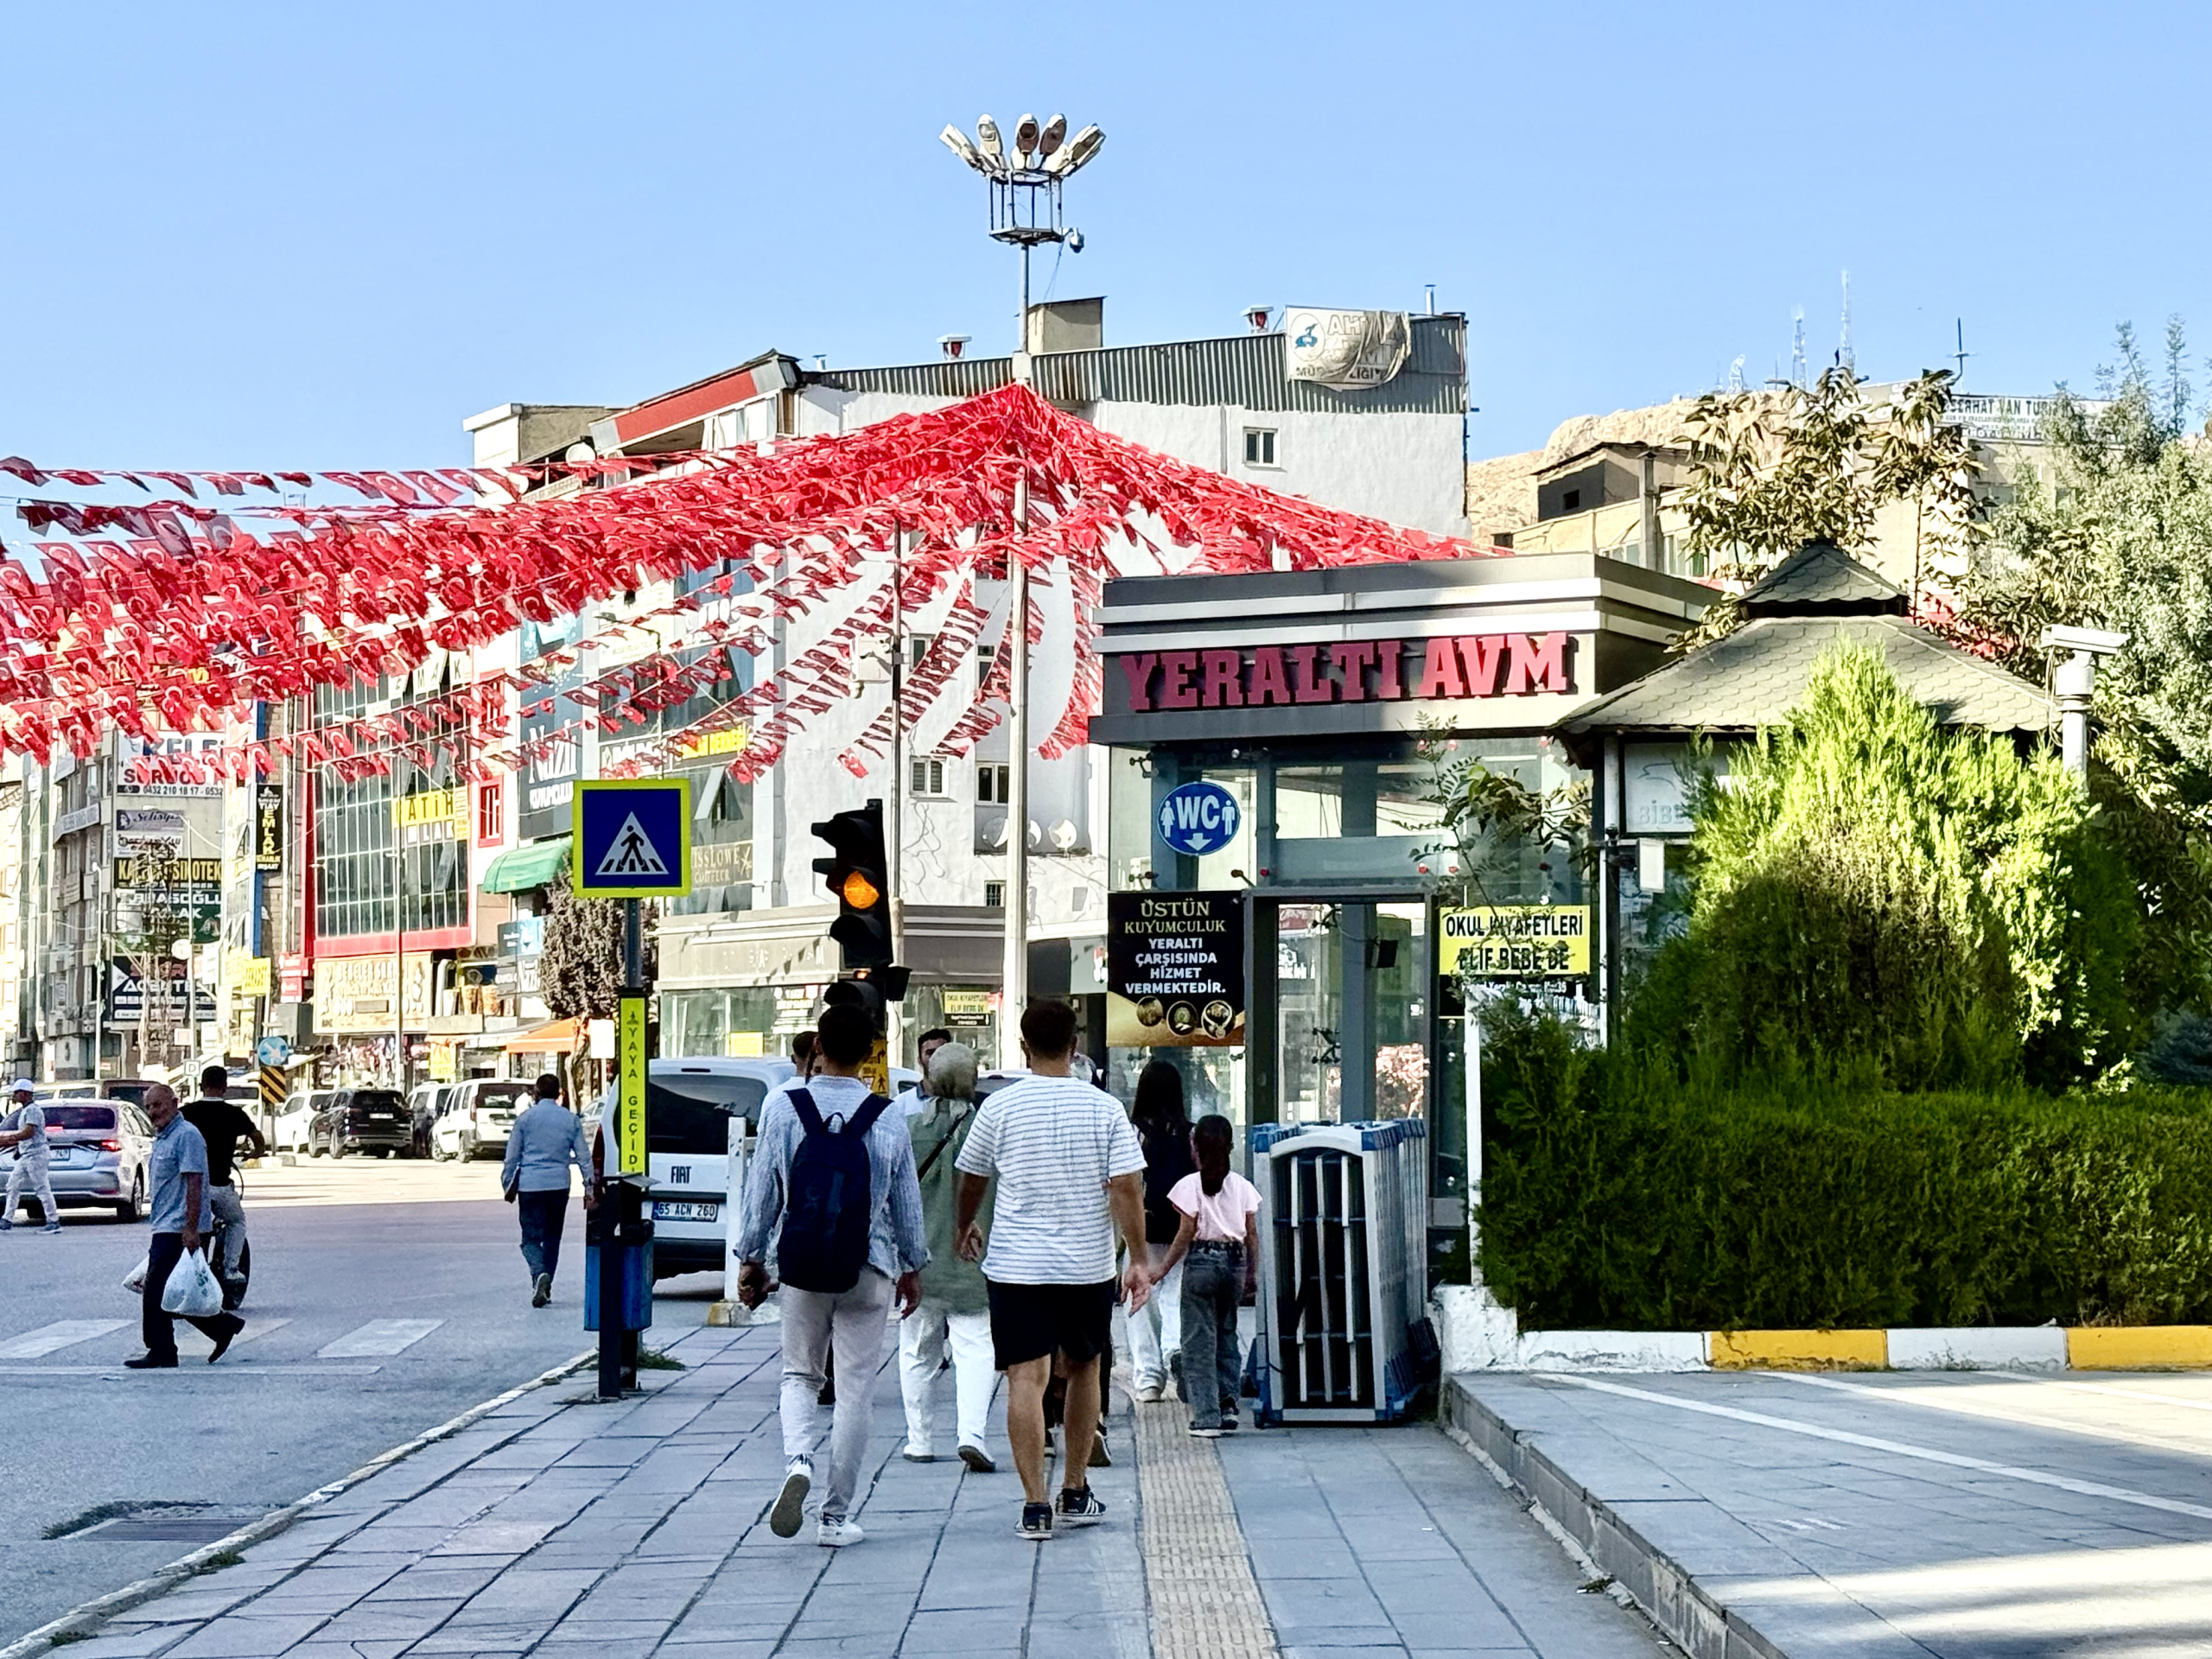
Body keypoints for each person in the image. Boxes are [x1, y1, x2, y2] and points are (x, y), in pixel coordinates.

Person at [953, 999, 1151, 1542]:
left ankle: (1035, 1505)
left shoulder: (998, 1109)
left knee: (1025, 1376)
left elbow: (970, 1174)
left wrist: (965, 1224)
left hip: (1016, 1265)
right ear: (1075, 1045)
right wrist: (1138, 1257)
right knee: (1085, 1367)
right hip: (1086, 1265)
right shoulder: (1105, 1108)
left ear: (1022, 1047)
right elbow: (1128, 1188)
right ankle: (1075, 1487)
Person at [735, 1003, 928, 1550]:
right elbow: (905, 1203)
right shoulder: (887, 1115)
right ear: (871, 1052)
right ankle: (835, 1516)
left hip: (801, 1268)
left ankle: (798, 1459)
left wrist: (751, 1258)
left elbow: (762, 1193)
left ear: (817, 1046)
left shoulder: (783, 1108)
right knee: (855, 1391)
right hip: (869, 1268)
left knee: (799, 1375)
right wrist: (913, 1266)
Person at [899, 1041, 998, 1472]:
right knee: (975, 1347)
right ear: (972, 1081)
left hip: (919, 1260)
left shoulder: (906, 1127)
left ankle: (919, 1439)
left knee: (917, 1351)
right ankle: (971, 1434)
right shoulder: (989, 1128)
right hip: (974, 1257)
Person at [1154, 1114, 1262, 1438]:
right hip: (1235, 1264)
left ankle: (1206, 1416)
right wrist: (1252, 1273)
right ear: (1230, 1147)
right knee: (1227, 1334)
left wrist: (1163, 1269)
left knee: (1198, 1344)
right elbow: (1252, 1234)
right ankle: (1229, 1404)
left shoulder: (1188, 1187)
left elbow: (1186, 1233)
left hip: (1201, 1263)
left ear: (1194, 1146)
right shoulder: (1243, 1186)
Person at [127, 1084, 244, 1368]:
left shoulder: (187, 1135)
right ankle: (222, 1326)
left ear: (174, 1103)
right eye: (149, 1107)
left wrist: (191, 1229)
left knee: (156, 1291)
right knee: (176, 1289)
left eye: (158, 1105)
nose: (153, 1112)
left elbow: (195, 1183)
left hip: (180, 1228)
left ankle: (162, 1351)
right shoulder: (164, 1137)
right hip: (165, 1224)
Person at [1126, 1060, 1196, 1402]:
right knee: (1175, 1297)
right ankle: (1175, 1352)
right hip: (1183, 1227)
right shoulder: (1190, 1133)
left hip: (1143, 1226)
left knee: (1141, 1301)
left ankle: (1149, 1379)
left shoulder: (1133, 1131)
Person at [502, 1072, 595, 1307]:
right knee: (553, 1238)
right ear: (559, 1093)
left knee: (530, 1240)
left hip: (531, 1185)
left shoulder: (525, 1120)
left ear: (537, 1092)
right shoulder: (570, 1120)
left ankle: (538, 1273)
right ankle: (547, 1285)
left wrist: (507, 1184)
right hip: (559, 1185)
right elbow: (583, 1155)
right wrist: (589, 1185)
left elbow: (512, 1156)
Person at [181, 1064, 267, 1304]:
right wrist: (255, 1153)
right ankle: (230, 1269)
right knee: (237, 1221)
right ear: (225, 1088)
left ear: (201, 1086)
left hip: (192, 1189)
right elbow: (257, 1138)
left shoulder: (187, 1113)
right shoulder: (235, 1114)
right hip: (219, 1186)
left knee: (188, 1227)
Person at [0, 1080, 60, 1233]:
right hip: (26, 1155)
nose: (14, 1096)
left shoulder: (32, 1110)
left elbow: (29, 1132)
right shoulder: (25, 1110)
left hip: (36, 1155)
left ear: (25, 1094)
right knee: (12, 1186)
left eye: (16, 1092)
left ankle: (53, 1221)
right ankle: (7, 1219)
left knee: (42, 1187)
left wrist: (8, 1139)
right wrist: (16, 1147)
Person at [896, 1028, 954, 1117]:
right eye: (930, 1053)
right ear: (920, 1060)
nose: (936, 1057)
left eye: (941, 1052)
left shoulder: (963, 1104)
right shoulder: (901, 1105)